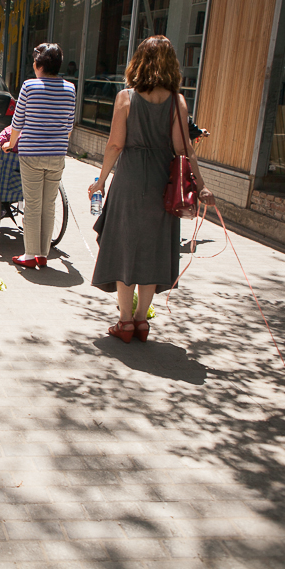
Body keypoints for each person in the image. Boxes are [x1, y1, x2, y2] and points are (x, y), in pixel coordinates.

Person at [88, 35, 215, 343]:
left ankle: (125, 322)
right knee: (154, 248)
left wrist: (101, 180)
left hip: (130, 178)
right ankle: (142, 321)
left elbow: (116, 143)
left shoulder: (126, 98)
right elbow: (184, 149)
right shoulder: (177, 100)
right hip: (163, 181)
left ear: (139, 62)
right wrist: (200, 186)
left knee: (123, 246)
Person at [3, 43, 75, 269]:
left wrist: (10, 144)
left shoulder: (29, 86)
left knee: (33, 204)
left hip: (32, 153)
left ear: (38, 64)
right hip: (57, 154)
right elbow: (69, 125)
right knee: (49, 204)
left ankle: (30, 254)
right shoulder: (70, 89)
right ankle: (43, 254)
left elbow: (18, 121)